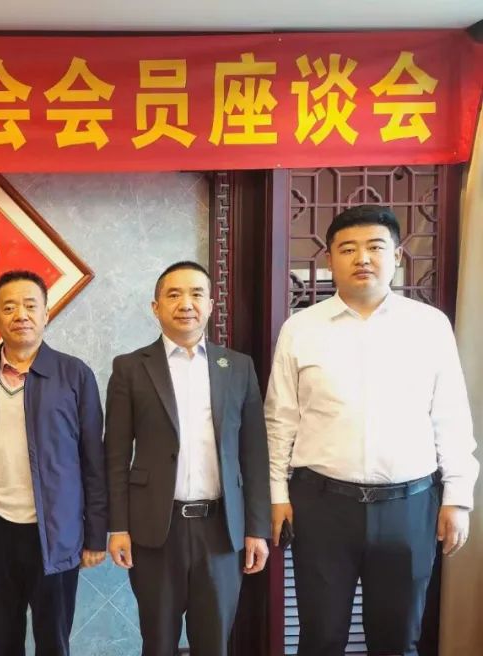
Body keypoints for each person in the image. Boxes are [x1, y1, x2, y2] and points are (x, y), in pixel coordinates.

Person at [265, 205, 478, 656]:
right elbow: (280, 419)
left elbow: (451, 416)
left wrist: (458, 497)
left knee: (397, 639)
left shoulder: (429, 326)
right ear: (330, 259)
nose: (362, 258)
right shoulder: (300, 329)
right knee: (320, 638)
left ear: (396, 255)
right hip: (321, 506)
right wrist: (277, 494)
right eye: (348, 249)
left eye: (375, 247)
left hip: (409, 506)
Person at [104, 261, 270, 656]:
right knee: (158, 642)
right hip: (156, 530)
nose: (186, 304)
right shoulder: (130, 368)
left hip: (221, 530)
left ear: (211, 304)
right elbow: (115, 453)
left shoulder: (238, 367)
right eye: (174, 294)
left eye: (196, 294)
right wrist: (118, 526)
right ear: (156, 306)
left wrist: (256, 528)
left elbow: (254, 452)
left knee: (214, 642)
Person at [0, 269, 107, 656]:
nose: (20, 315)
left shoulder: (74, 374)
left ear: (46, 314)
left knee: (53, 642)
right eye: (9, 307)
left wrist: (96, 535)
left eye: (30, 305)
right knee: (3, 642)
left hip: (57, 531)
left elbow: (94, 460)